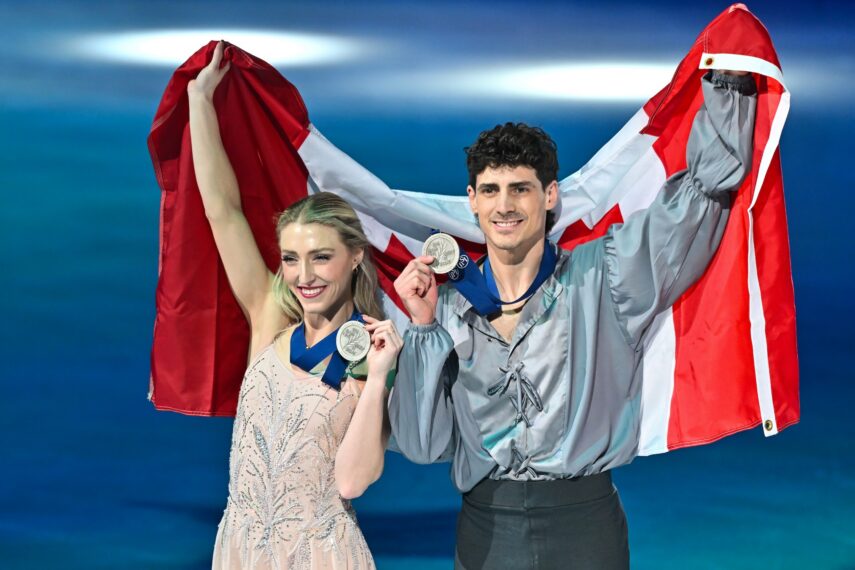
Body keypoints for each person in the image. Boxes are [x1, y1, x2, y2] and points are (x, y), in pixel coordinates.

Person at [389, 69, 757, 569]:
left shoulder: (606, 274)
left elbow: (698, 202)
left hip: (584, 524)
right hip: (485, 527)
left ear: (550, 195)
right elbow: (420, 443)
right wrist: (424, 330)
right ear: (472, 200)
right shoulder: (449, 307)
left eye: (520, 188)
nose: (505, 205)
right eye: (491, 189)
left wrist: (728, 86)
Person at [189, 42, 399, 569]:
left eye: (321, 257)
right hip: (240, 550)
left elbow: (351, 481)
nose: (303, 276)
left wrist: (375, 381)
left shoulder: (372, 352)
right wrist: (199, 100)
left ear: (355, 257)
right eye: (291, 258)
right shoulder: (268, 314)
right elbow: (222, 210)